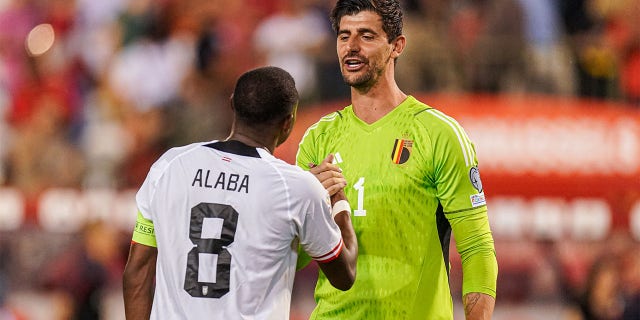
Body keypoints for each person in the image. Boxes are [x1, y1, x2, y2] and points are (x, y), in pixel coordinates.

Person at [295, 1, 498, 319]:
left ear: (397, 46)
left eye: (366, 36)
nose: (351, 47)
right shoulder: (317, 139)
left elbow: (477, 248)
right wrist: (309, 208)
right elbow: (294, 257)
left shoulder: (438, 134)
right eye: (344, 35)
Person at [122, 66, 358, 319]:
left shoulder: (168, 166)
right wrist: (337, 202)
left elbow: (138, 270)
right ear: (288, 123)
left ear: (232, 104)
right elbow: (344, 276)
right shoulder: (298, 188)